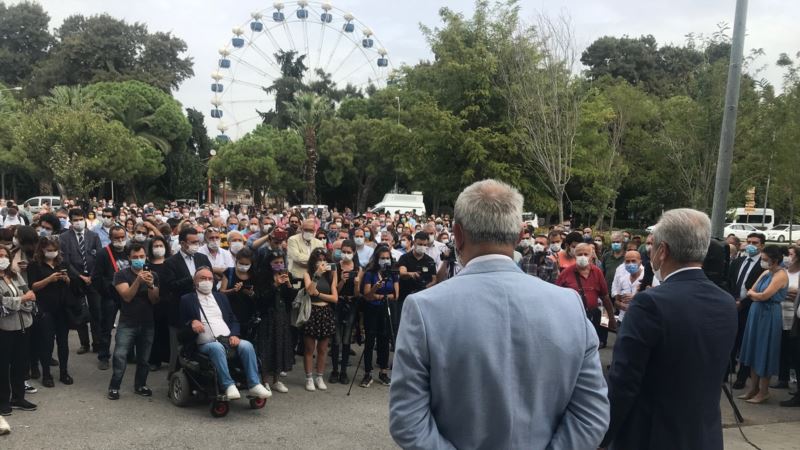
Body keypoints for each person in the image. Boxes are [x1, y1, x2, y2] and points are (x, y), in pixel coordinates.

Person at [389, 179, 609, 449]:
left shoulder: (424, 308)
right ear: (519, 235)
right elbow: (592, 414)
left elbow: (408, 420)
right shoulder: (569, 305)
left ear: (457, 235)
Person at [601, 209, 738, 450]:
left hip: (651, 436)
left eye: (651, 246)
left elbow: (624, 382)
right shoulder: (725, 302)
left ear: (663, 251)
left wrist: (602, 436)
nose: (649, 253)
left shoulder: (649, 303)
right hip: (703, 436)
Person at [180, 268, 270, 400]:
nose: (207, 281)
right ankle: (228, 385)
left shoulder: (220, 297)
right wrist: (192, 322)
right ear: (195, 281)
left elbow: (232, 319)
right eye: (203, 278)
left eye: (210, 279)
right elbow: (181, 323)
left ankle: (254, 384)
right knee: (217, 348)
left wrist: (234, 334)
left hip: (227, 338)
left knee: (247, 346)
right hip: (204, 343)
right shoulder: (187, 299)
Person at [107, 243, 160, 400]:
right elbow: (127, 296)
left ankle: (140, 385)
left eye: (141, 257)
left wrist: (150, 285)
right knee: (120, 355)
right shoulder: (121, 275)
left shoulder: (154, 275)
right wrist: (138, 280)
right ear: (129, 258)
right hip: (127, 322)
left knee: (144, 359)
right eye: (135, 257)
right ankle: (114, 387)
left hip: (147, 322)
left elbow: (155, 300)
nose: (139, 260)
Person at [737, 245, 789, 404]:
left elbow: (764, 295)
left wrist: (756, 295)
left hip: (769, 315)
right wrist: (756, 295)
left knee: (764, 351)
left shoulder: (781, 275)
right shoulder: (767, 272)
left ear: (774, 260)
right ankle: (753, 388)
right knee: (753, 350)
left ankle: (764, 391)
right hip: (756, 313)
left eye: (765, 260)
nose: (762, 262)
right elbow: (750, 289)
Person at [161, 228, 212, 373]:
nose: (197, 244)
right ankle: (174, 379)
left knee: (198, 347)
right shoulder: (171, 262)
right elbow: (169, 287)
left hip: (202, 310)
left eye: (198, 241)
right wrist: (191, 279)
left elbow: (210, 280)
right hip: (179, 312)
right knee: (177, 349)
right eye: (193, 242)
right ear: (183, 243)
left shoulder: (202, 258)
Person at [28, 237, 74, 387]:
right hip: (44, 308)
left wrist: (67, 279)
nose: (52, 253)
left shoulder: (62, 263)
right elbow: (33, 286)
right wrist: (49, 279)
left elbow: (70, 285)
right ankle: (46, 373)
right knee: (46, 342)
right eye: (49, 250)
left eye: (55, 250)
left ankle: (64, 372)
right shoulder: (35, 265)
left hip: (62, 308)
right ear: (42, 250)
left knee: (63, 342)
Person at [58, 209, 103, 355]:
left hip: (93, 280)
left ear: (85, 219)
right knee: (80, 312)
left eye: (80, 219)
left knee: (96, 311)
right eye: (75, 220)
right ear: (71, 221)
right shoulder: (64, 238)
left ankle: (97, 342)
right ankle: (84, 343)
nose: (78, 222)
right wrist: (80, 276)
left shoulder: (94, 236)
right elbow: (65, 261)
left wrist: (92, 276)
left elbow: (99, 258)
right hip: (76, 280)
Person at [556, 243, 617, 344]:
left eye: (586, 254)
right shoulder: (566, 273)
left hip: (592, 317)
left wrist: (611, 317)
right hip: (572, 318)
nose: (582, 257)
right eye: (579, 254)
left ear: (591, 256)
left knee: (592, 344)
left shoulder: (597, 272)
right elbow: (557, 297)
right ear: (575, 256)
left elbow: (605, 297)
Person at [0, 246, 37, 414]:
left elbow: (30, 293)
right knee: (3, 366)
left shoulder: (14, 274)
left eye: (4, 255)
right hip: (4, 329)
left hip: (23, 326)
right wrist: (22, 299)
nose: (2, 258)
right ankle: (3, 401)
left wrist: (19, 300)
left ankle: (18, 397)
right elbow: (2, 304)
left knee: (19, 364)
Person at [728, 233, 767, 389]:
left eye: (755, 243)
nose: (751, 245)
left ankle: (742, 377)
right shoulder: (738, 261)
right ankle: (725, 372)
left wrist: (742, 302)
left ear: (762, 245)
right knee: (730, 339)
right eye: (749, 241)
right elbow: (730, 281)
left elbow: (758, 288)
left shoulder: (762, 266)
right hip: (732, 304)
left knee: (744, 342)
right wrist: (733, 298)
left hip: (748, 307)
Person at [92, 226, 131, 370]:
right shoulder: (103, 254)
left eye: (122, 237)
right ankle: (103, 356)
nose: (120, 240)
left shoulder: (129, 251)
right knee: (106, 327)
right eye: (117, 238)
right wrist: (107, 291)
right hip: (110, 297)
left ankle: (129, 354)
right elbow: (96, 277)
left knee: (129, 325)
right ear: (110, 238)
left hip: (128, 294)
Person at [256, 251, 294, 393]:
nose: (279, 265)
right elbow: (262, 301)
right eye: (275, 262)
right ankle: (265, 380)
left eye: (281, 262)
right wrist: (275, 285)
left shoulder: (285, 276)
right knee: (267, 348)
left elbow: (290, 299)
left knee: (280, 346)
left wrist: (288, 284)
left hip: (282, 316)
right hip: (267, 317)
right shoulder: (263, 278)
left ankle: (277, 380)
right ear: (269, 264)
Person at [360, 245, 398, 388]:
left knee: (384, 340)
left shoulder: (393, 273)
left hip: (386, 309)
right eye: (382, 258)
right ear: (377, 259)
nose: (385, 260)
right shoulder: (370, 273)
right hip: (372, 310)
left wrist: (380, 296)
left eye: (387, 258)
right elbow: (367, 295)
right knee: (370, 340)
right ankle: (367, 373)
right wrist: (376, 288)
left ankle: (383, 372)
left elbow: (396, 295)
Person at [302, 248, 338, 392]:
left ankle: (320, 376)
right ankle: (309, 377)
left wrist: (319, 294)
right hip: (312, 311)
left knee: (323, 348)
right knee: (309, 348)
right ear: (313, 261)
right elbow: (310, 291)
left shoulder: (332, 274)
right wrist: (316, 276)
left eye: (324, 259)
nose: (322, 262)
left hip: (326, 312)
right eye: (319, 259)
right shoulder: (308, 274)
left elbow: (335, 298)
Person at [329, 240, 361, 385]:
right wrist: (342, 280)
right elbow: (334, 289)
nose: (346, 254)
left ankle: (343, 372)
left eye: (349, 252)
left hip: (351, 304)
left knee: (347, 338)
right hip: (338, 303)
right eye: (344, 251)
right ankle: (334, 370)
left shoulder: (359, 268)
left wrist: (356, 284)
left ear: (354, 253)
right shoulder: (335, 267)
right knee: (336, 339)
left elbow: (357, 293)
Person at [397, 232, 437, 340]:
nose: (422, 247)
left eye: (425, 245)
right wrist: (411, 274)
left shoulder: (429, 261)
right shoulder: (405, 258)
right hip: (405, 296)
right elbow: (402, 273)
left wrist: (424, 288)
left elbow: (434, 280)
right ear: (414, 243)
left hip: (423, 298)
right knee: (404, 326)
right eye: (420, 244)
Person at [146, 236, 171, 371]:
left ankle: (169, 358)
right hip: (152, 304)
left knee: (167, 333)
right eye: (155, 246)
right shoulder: (147, 265)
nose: (158, 248)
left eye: (161, 245)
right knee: (154, 333)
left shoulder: (171, 263)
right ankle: (154, 360)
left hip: (168, 303)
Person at [611, 250, 644, 324]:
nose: (630, 264)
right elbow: (616, 302)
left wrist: (635, 297)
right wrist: (623, 306)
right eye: (627, 261)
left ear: (640, 262)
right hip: (622, 321)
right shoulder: (622, 279)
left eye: (633, 261)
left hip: (640, 322)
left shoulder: (647, 279)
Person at [287, 220, 323, 284]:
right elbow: (297, 258)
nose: (308, 232)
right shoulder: (292, 240)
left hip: (314, 277)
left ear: (315, 230)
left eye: (311, 230)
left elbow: (321, 260)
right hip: (298, 277)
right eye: (306, 230)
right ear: (301, 229)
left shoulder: (319, 243)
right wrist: (314, 260)